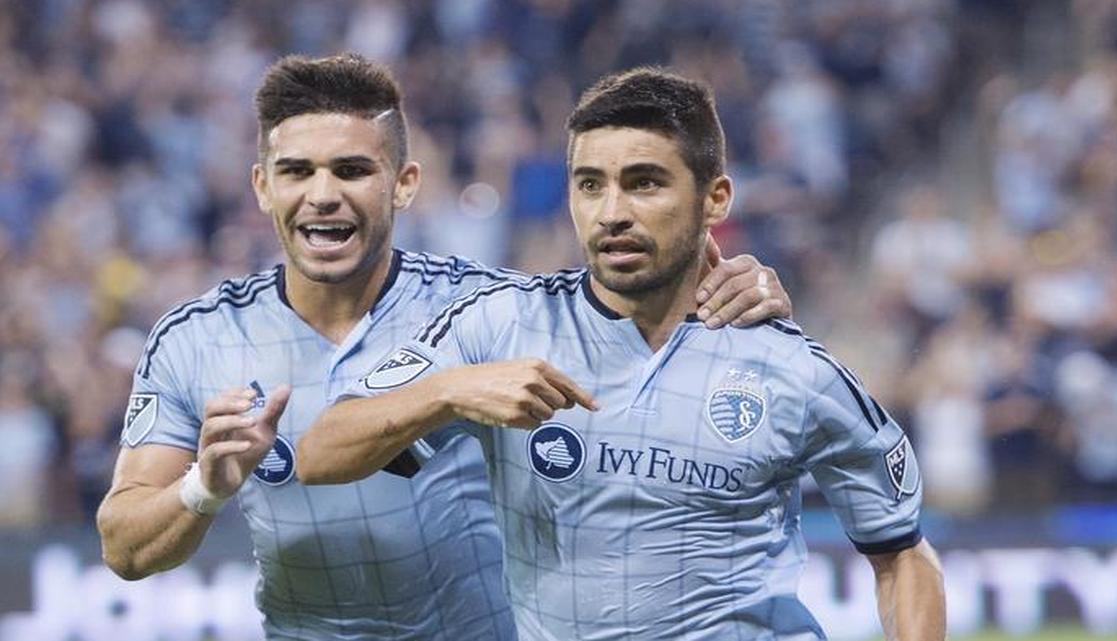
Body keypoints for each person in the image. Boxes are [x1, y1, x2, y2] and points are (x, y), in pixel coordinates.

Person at [95, 54, 793, 641]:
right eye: (298, 171)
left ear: (404, 184)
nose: (324, 195)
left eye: (351, 170)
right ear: (262, 188)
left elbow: (645, 324)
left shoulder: (489, 312)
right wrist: (203, 488)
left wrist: (739, 294)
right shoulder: (197, 337)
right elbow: (123, 545)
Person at [298, 67, 947, 641]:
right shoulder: (498, 329)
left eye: (644, 183)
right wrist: (445, 391)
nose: (612, 212)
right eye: (589, 184)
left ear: (714, 198)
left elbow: (902, 552)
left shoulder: (791, 367)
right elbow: (320, 451)